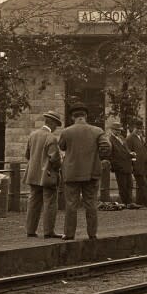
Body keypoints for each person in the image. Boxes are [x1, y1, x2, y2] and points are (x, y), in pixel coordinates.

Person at [57, 102, 111, 241]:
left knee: (71, 205)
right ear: (85, 116)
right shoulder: (97, 131)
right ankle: (92, 234)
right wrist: (98, 158)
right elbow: (106, 147)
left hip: (71, 173)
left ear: (72, 117)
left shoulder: (66, 132)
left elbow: (62, 147)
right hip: (91, 173)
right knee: (91, 204)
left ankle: (69, 234)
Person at [25, 111, 63, 238]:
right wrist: (60, 163)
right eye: (56, 125)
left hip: (32, 175)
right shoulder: (51, 138)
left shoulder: (33, 135)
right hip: (47, 176)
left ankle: (30, 230)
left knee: (33, 203)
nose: (56, 127)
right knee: (50, 203)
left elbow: (27, 155)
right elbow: (55, 159)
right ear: (51, 123)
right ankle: (48, 232)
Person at [126, 119, 147, 209]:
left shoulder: (140, 138)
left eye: (140, 128)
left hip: (145, 166)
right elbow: (129, 153)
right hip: (138, 167)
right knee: (143, 185)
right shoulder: (130, 139)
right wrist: (134, 165)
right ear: (134, 128)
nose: (139, 130)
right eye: (137, 128)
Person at [106, 119, 135, 205]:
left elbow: (126, 150)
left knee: (130, 184)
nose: (118, 131)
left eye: (119, 130)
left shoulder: (122, 138)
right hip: (119, 166)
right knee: (122, 186)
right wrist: (115, 165)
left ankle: (130, 202)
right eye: (116, 130)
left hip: (127, 165)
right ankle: (125, 203)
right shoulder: (110, 140)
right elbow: (111, 155)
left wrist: (130, 153)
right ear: (112, 130)